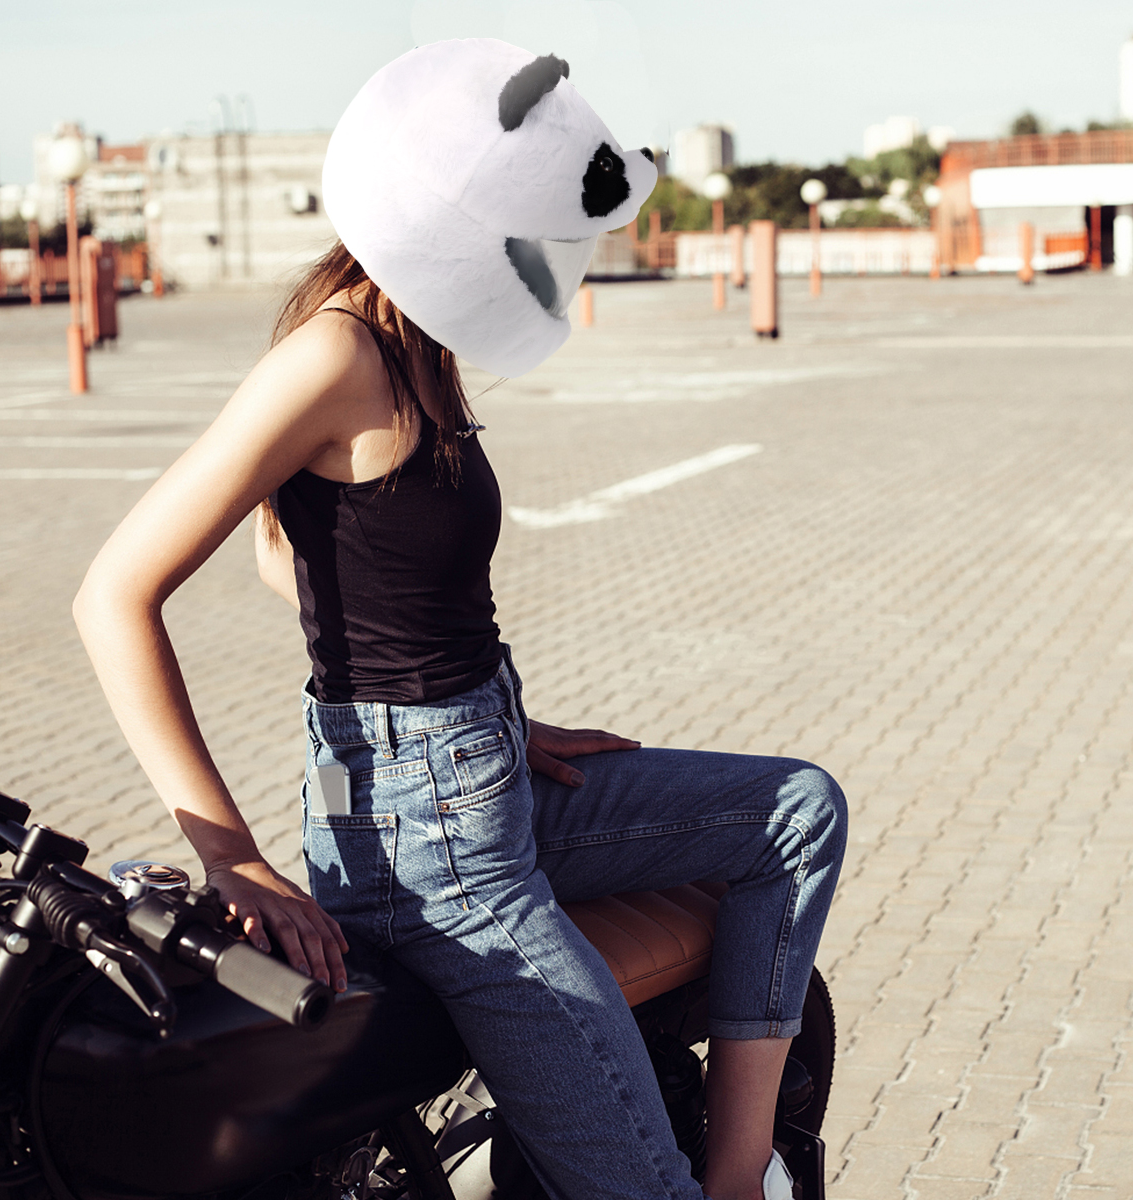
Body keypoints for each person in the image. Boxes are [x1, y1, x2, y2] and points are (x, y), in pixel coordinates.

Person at [73, 40, 846, 1200]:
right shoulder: (337, 352)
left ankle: (743, 1178)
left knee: (798, 811)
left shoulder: (419, 342)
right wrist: (230, 856)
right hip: (427, 858)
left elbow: (296, 554)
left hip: (483, 779)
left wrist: (491, 718)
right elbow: (114, 594)